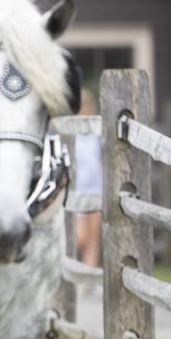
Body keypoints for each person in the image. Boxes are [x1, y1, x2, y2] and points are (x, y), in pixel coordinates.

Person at [73, 88, 102, 266]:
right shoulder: (71, 135)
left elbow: (100, 161)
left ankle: (87, 281)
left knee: (94, 237)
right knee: (80, 237)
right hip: (78, 190)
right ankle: (77, 272)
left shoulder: (96, 135)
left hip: (96, 188)